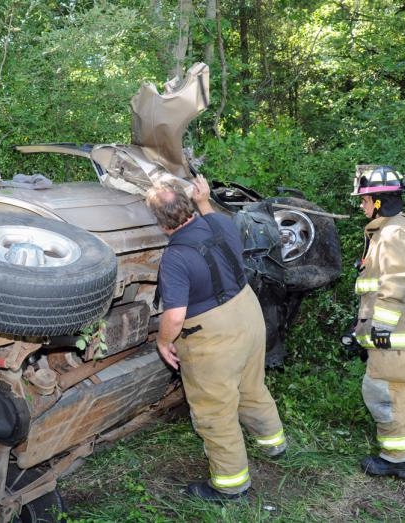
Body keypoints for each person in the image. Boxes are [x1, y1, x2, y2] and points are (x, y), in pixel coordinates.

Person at [146, 174, 286, 502]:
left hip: (214, 337)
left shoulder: (175, 257)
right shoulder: (220, 224)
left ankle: (230, 485)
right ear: (187, 205)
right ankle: (274, 444)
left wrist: (164, 342)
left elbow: (175, 316)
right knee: (252, 387)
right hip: (247, 313)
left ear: (160, 223)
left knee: (215, 411)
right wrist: (203, 198)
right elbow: (208, 213)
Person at [350, 165, 405, 479]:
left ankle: (397, 459)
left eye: (365, 199)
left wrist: (380, 327)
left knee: (384, 393)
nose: (362, 205)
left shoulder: (394, 233)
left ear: (379, 200)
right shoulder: (391, 229)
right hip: (397, 334)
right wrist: (361, 329)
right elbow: (375, 291)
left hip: (395, 336)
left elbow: (396, 282)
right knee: (402, 393)